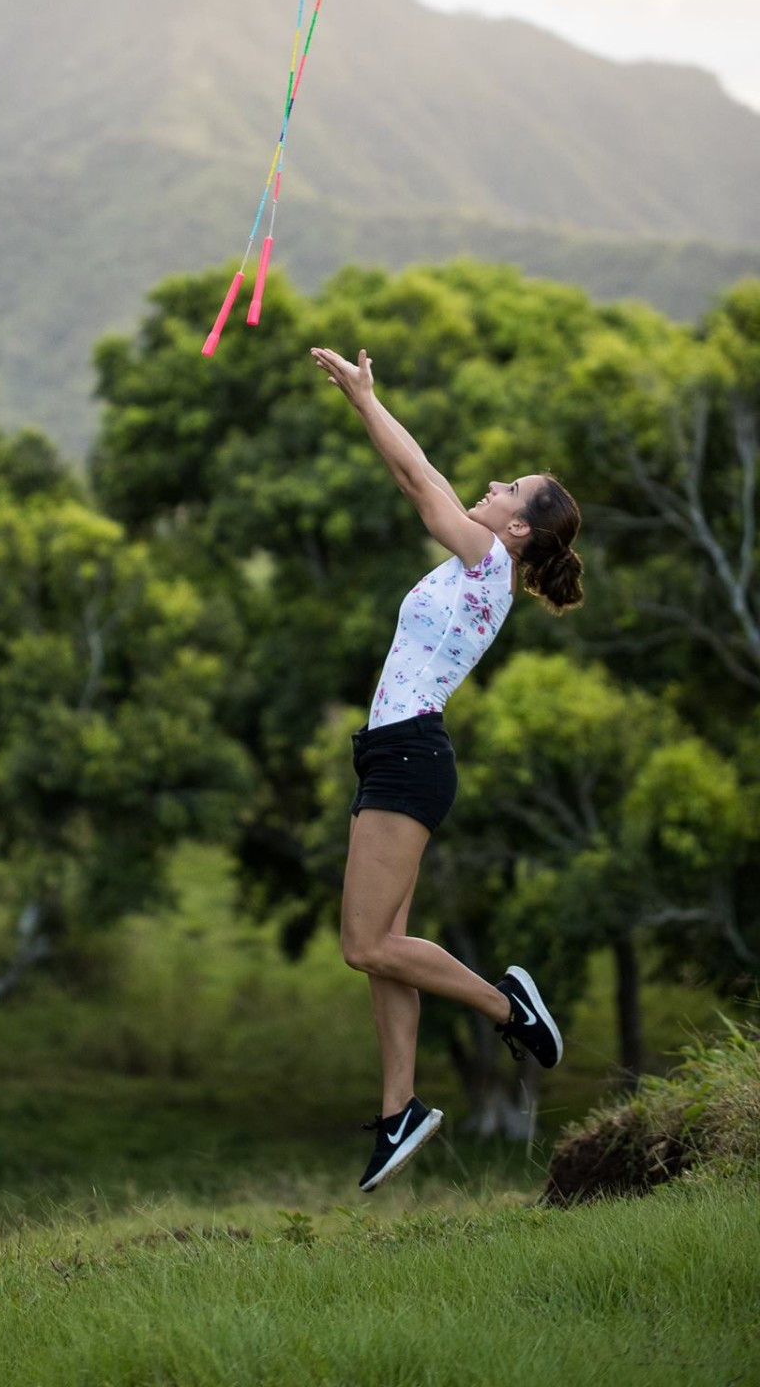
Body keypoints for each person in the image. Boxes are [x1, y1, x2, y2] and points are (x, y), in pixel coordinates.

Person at [309, 345, 584, 1193]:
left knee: (364, 944)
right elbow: (422, 478)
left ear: (518, 529)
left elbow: (415, 478)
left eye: (511, 488)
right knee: (384, 948)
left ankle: (510, 1007)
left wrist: (364, 398)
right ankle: (400, 1112)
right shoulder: (486, 563)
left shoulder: (487, 561)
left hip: (409, 758)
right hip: (393, 757)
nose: (495, 484)